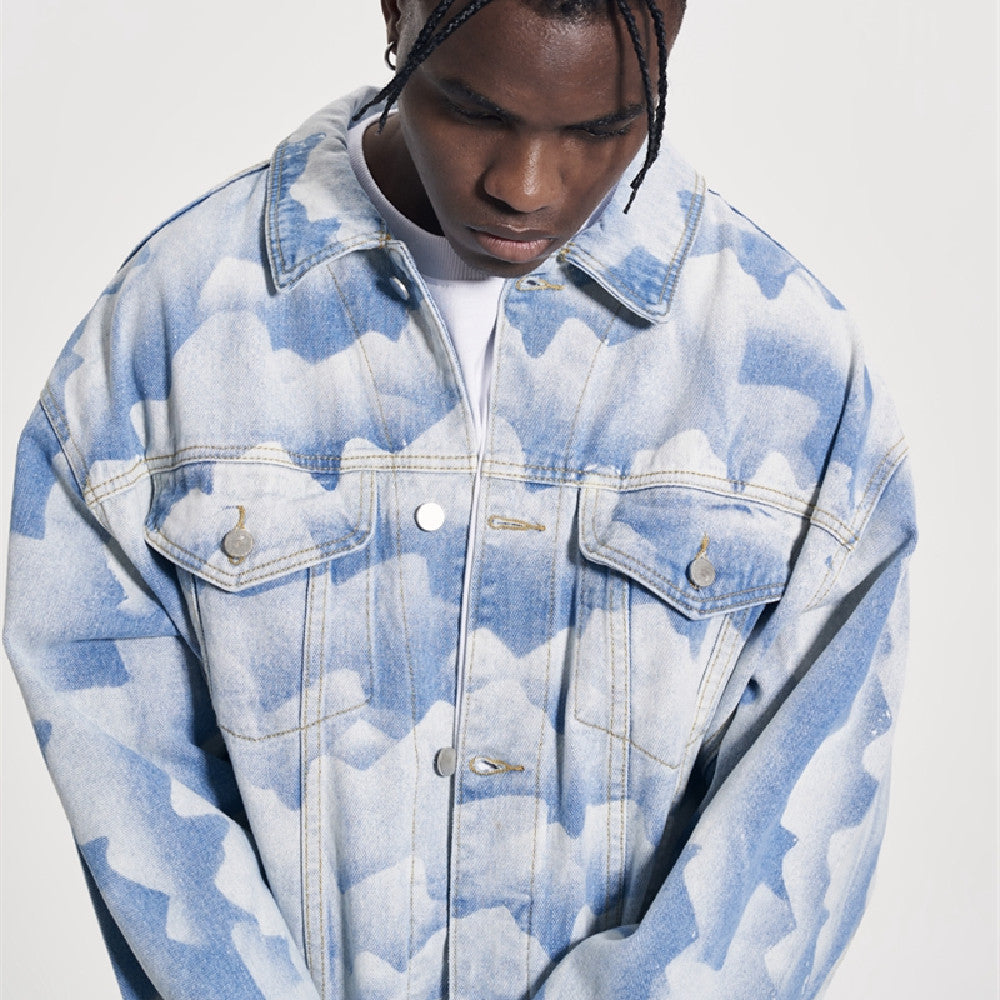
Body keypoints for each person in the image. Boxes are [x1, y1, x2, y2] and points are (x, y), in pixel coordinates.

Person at [3, 0, 916, 997]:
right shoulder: (172, 326)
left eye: (601, 129)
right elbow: (127, 762)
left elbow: (796, 812)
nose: (525, 187)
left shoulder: (788, 368)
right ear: (397, 11)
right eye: (473, 110)